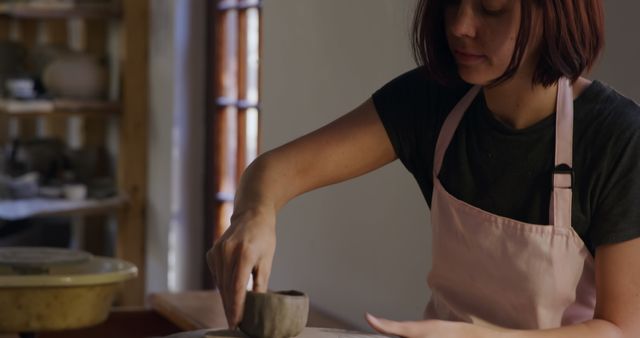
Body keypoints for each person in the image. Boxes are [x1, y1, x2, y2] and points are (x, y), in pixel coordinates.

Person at [207, 0, 640, 337]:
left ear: (554, 11)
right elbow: (277, 171)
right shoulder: (435, 101)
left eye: (491, 8)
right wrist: (255, 214)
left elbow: (622, 328)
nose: (459, 26)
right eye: (452, 3)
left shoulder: (616, 137)